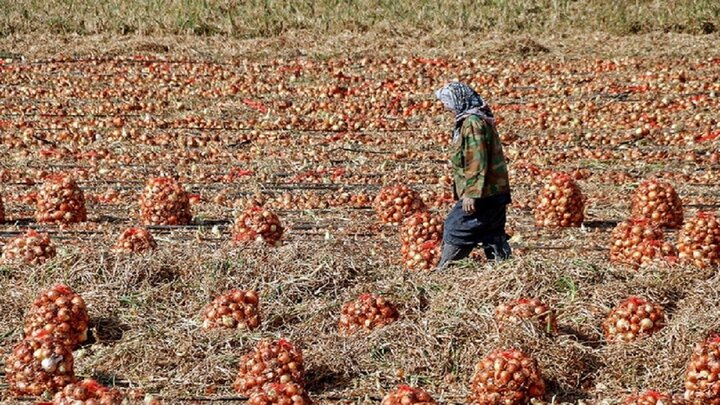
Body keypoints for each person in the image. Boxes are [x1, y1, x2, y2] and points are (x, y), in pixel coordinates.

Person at [435, 82, 512, 268]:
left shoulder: (472, 123)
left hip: (484, 192)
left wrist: (471, 193)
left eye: (447, 102)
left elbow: (477, 160)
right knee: (492, 232)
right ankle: (504, 269)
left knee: (456, 227)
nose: (446, 107)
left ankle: (444, 272)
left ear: (458, 100)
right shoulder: (478, 119)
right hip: (495, 191)